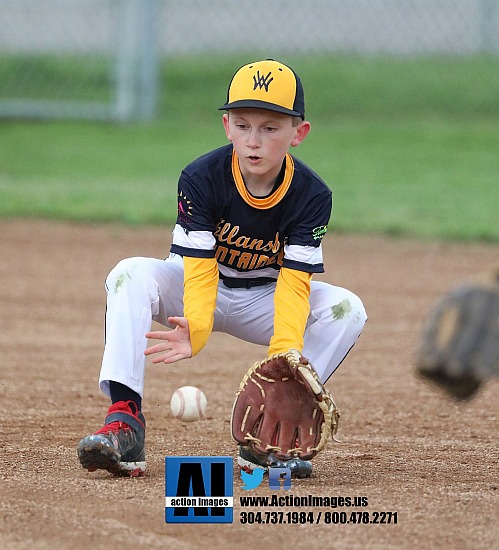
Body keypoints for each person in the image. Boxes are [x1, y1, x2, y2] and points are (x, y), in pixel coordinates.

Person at [77, 59, 367, 478]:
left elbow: (293, 283)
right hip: (194, 291)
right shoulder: (201, 177)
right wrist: (196, 329)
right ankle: (125, 422)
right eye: (244, 125)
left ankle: (268, 436)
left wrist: (282, 361)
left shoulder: (312, 195)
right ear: (227, 126)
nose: (255, 141)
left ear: (297, 134)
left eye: (270, 128)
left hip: (264, 298)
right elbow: (197, 268)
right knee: (129, 274)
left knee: (346, 309)